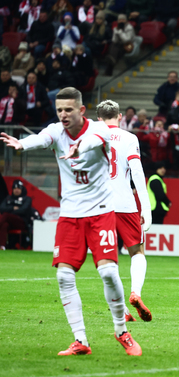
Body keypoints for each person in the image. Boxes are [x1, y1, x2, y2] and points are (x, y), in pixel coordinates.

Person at [0, 87, 141, 356]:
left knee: (108, 272)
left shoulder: (99, 130)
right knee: (64, 275)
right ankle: (80, 341)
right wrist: (22, 144)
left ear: (81, 110)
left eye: (68, 110)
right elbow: (41, 139)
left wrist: (79, 146)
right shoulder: (55, 130)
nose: (63, 115)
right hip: (70, 216)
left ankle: (122, 331)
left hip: (100, 213)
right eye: (60, 110)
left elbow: (92, 142)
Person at [96, 100, 153, 323]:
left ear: (99, 118)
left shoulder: (92, 136)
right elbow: (137, 172)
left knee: (107, 262)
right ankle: (135, 293)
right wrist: (145, 206)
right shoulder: (129, 138)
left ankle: (121, 312)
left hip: (99, 206)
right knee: (137, 252)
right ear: (120, 117)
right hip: (125, 204)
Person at [0, 180, 32, 250]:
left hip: (22, 222)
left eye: (18, 188)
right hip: (9, 221)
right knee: (5, 224)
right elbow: (1, 208)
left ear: (22, 189)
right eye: (15, 188)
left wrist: (9, 211)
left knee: (5, 215)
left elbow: (24, 210)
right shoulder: (8, 198)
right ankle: (2, 247)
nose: (16, 190)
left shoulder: (27, 199)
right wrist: (13, 208)